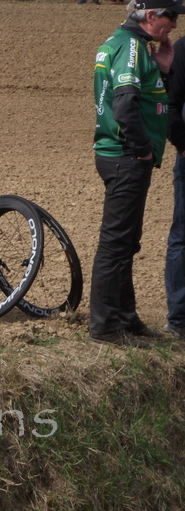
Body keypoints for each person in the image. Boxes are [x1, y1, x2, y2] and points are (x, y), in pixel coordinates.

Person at [89, 0, 184, 346]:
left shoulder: (124, 44)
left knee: (127, 242)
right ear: (149, 15)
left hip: (117, 154)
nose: (174, 25)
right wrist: (142, 148)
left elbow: (139, 94)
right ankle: (105, 326)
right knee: (116, 244)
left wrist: (162, 69)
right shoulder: (129, 47)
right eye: (171, 17)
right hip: (125, 157)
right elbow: (125, 101)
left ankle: (126, 318)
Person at [166, 34, 185, 340]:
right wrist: (183, 145)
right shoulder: (183, 49)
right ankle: (180, 320)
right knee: (183, 235)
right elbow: (170, 104)